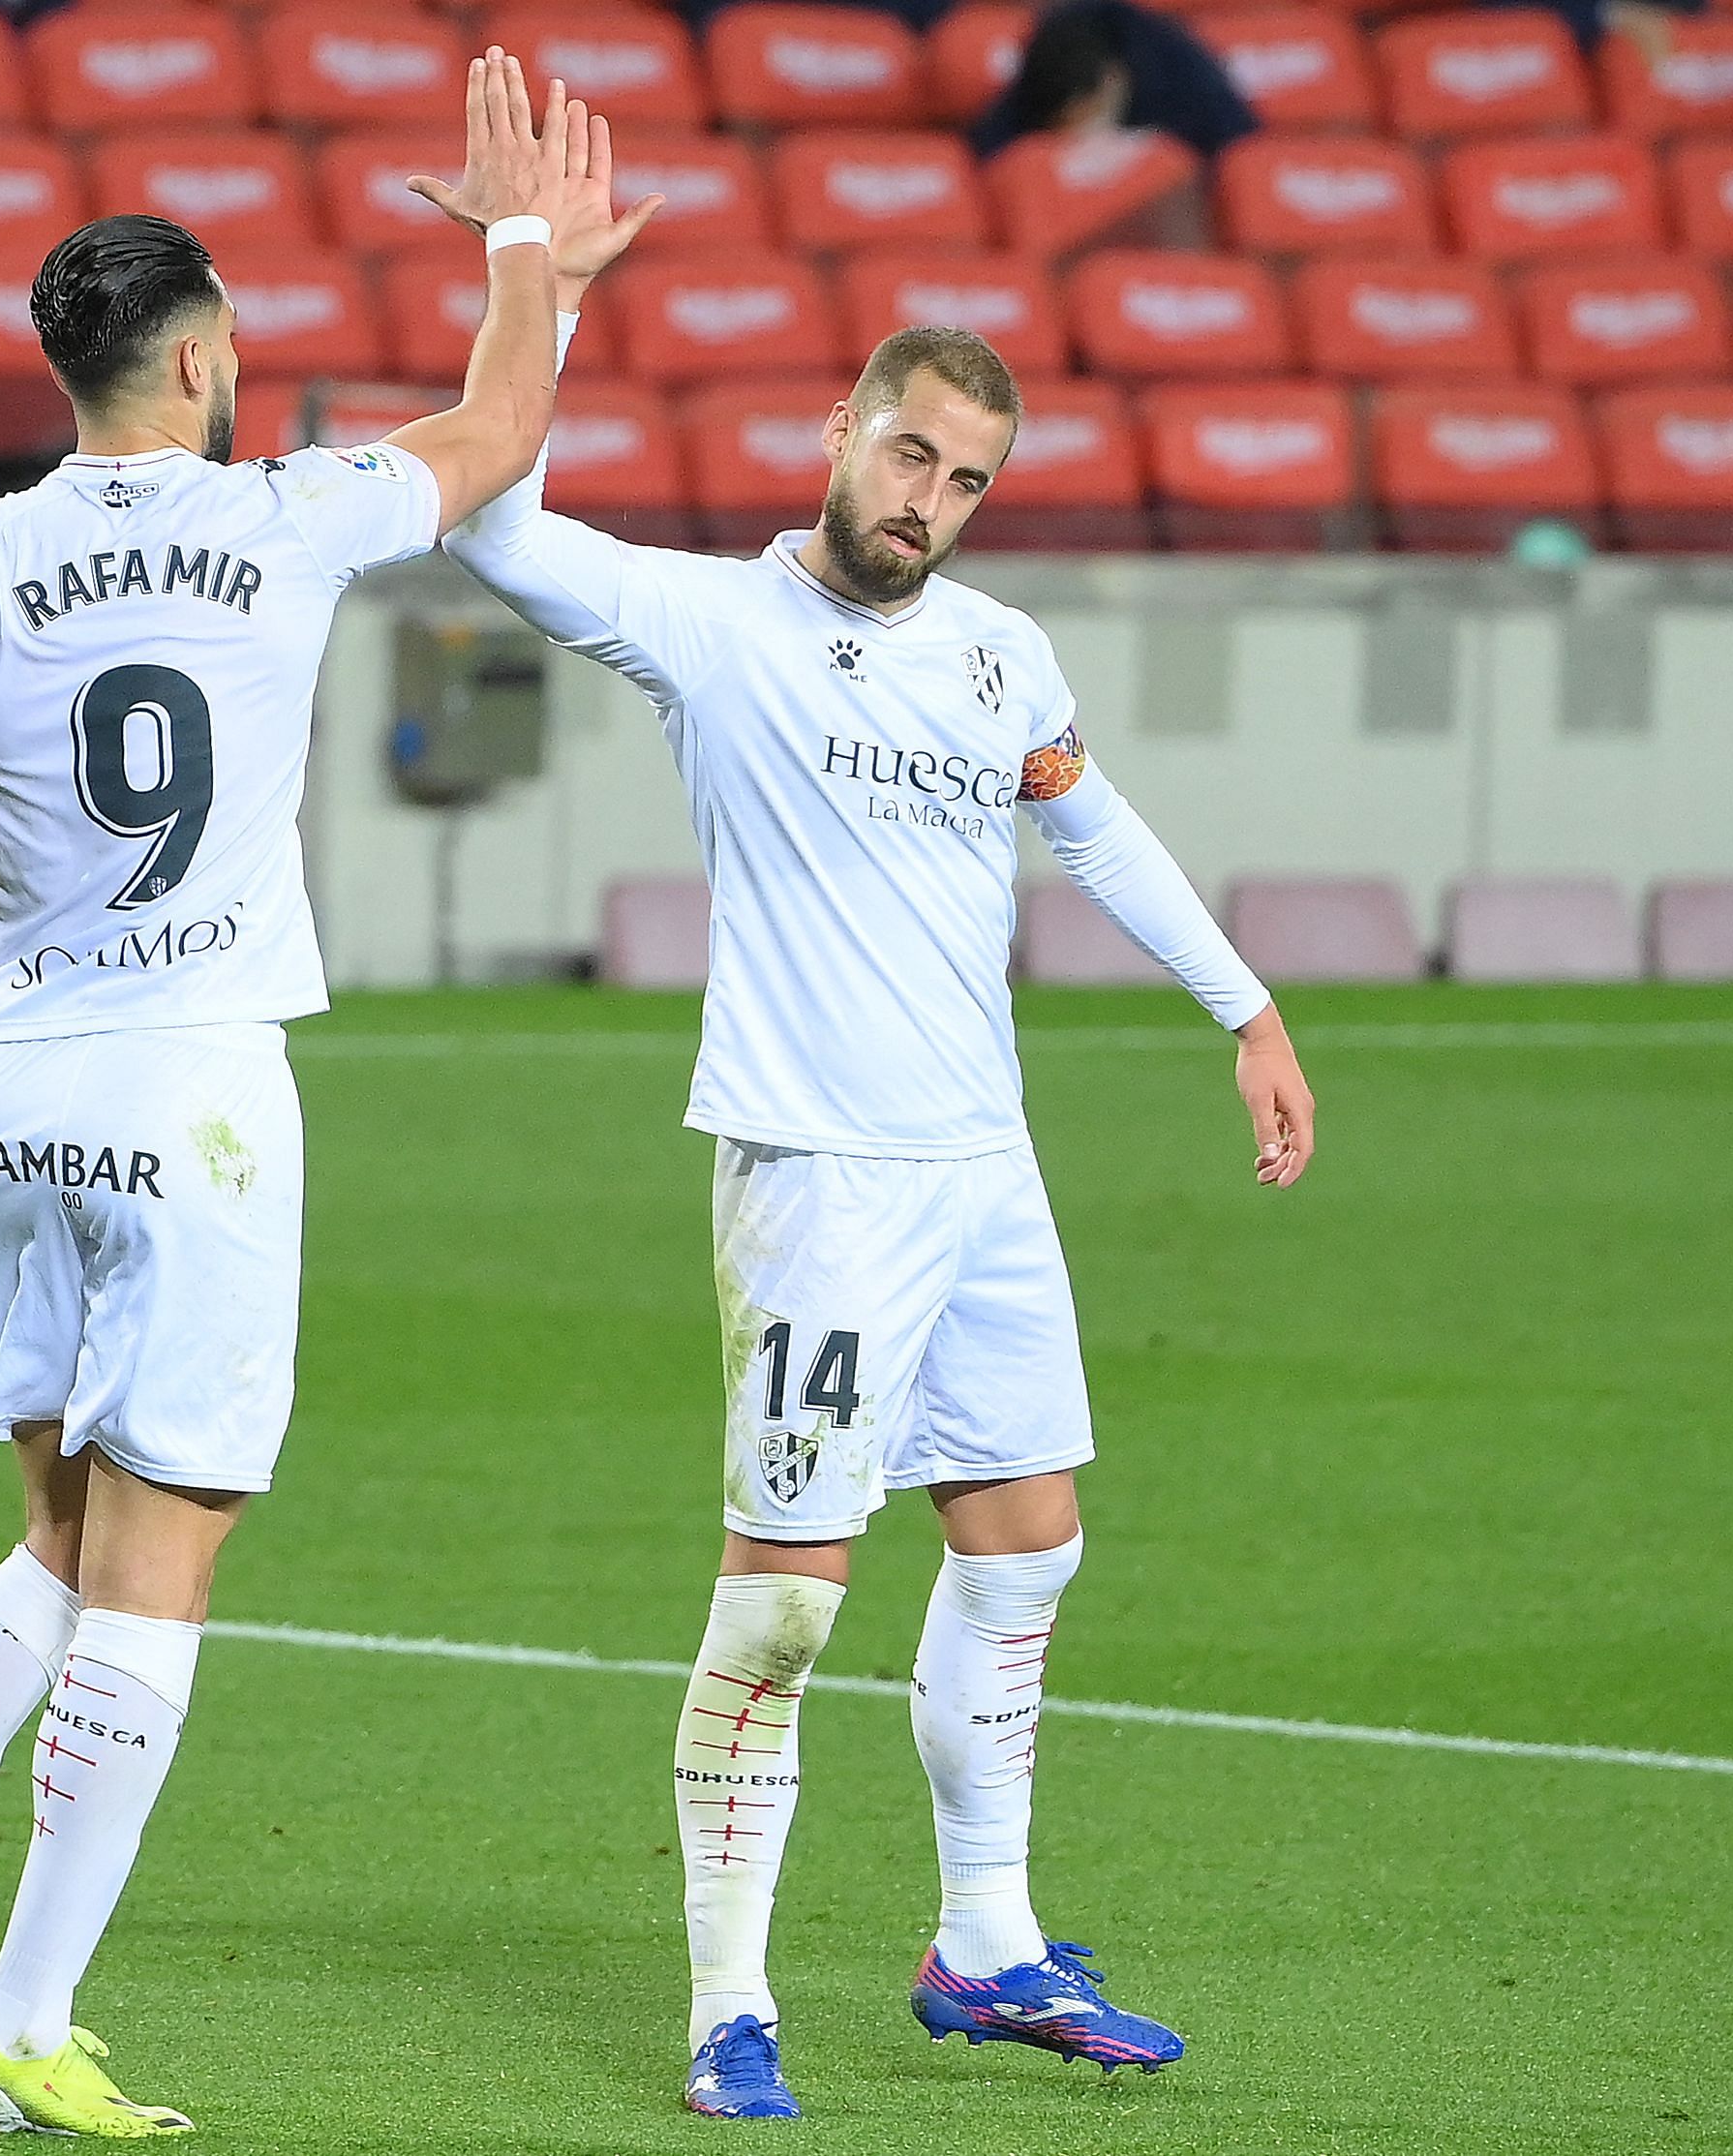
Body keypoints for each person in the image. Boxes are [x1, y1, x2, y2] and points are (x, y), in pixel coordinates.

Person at [0, 52, 589, 2139]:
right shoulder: (282, 517)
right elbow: (499, 426)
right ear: (197, 360)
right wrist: (524, 242)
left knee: (59, 1531)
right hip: (190, 1093)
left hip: (3, 1098)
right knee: (164, 1554)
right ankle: (25, 2015)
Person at [434, 193, 1319, 2117]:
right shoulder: (711, 621)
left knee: (1025, 1544)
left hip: (979, 1175)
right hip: (815, 1179)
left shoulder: (995, 658)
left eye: (966, 476)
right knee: (784, 1599)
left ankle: (983, 1945)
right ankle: (725, 2004)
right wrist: (544, 296)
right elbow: (489, 522)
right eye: (908, 449)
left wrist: (1240, 1006)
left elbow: (1091, 832)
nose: (927, 493)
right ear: (838, 435)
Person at [968, 0, 1257, 164]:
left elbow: (1242, 153)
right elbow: (984, 156)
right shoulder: (1035, 84)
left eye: (1088, 117)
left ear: (1112, 83)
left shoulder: (1188, 80)